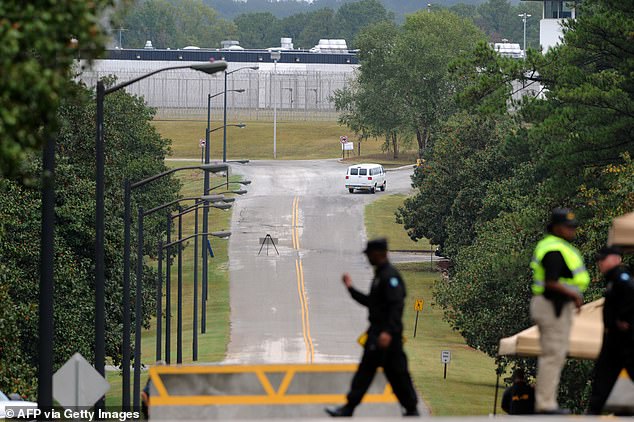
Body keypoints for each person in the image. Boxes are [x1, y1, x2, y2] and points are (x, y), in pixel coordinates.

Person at [325, 238, 419, 417]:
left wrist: (388, 332)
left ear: (379, 254)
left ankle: (412, 409)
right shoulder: (380, 276)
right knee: (365, 372)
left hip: (388, 336)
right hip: (377, 334)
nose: (368, 257)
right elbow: (372, 303)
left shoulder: (390, 277)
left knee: (398, 374)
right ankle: (349, 407)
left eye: (369, 254)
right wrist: (350, 288)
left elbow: (396, 305)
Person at [529, 208, 590, 414]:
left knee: (556, 354)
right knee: (553, 354)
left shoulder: (560, 247)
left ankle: (548, 402)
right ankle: (545, 405)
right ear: (556, 228)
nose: (571, 231)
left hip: (556, 305)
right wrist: (574, 295)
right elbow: (550, 282)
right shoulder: (553, 249)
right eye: (567, 227)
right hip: (550, 305)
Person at [587, 246, 634, 414]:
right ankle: (593, 412)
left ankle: (594, 411)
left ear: (616, 259)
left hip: (624, 340)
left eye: (603, 259)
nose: (600, 263)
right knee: (603, 378)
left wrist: (622, 319)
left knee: (605, 376)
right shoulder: (612, 280)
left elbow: (630, 296)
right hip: (614, 340)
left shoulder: (622, 278)